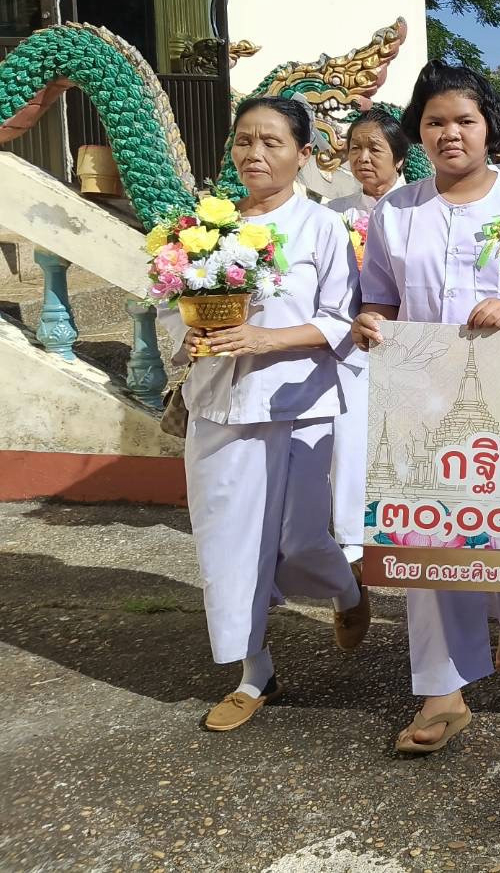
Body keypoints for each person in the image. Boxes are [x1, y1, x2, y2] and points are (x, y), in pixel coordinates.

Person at [354, 60, 500, 754]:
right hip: (421, 396)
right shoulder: (396, 211)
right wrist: (369, 321)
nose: (449, 134)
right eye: (434, 122)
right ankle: (440, 690)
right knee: (426, 535)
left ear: (490, 129)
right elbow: (379, 298)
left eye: (464, 120)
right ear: (417, 132)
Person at [166, 96, 369, 732]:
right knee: (229, 542)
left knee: (299, 537)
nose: (255, 154)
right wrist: (194, 336)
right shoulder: (204, 227)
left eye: (273, 142)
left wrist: (266, 340)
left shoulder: (323, 228)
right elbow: (178, 305)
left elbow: (341, 321)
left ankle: (348, 589)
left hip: (299, 405)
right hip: (220, 403)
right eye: (245, 141)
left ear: (304, 155)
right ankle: (255, 673)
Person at [326, 107, 408, 570]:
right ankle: (351, 535)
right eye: (355, 147)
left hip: (408, 335)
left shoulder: (413, 207)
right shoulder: (333, 214)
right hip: (350, 338)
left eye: (375, 148)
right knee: (351, 435)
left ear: (399, 157)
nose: (363, 157)